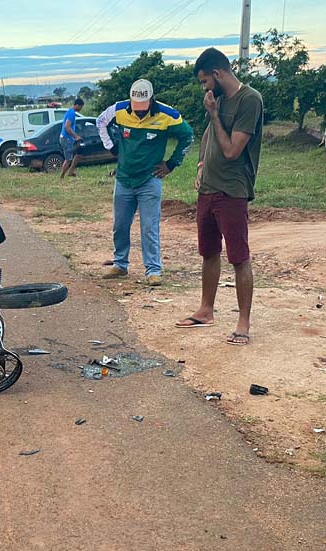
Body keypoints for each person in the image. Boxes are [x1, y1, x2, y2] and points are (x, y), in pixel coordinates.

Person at [176, 47, 263, 347]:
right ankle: (205, 310)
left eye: (204, 81)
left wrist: (214, 115)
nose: (204, 88)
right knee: (208, 251)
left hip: (232, 189)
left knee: (238, 256)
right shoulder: (219, 99)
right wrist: (201, 164)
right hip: (208, 188)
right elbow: (207, 136)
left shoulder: (249, 100)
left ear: (217, 73)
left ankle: (243, 322)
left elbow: (231, 150)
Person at [95, 79, 193, 286]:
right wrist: (111, 147)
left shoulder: (168, 115)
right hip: (123, 179)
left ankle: (153, 269)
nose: (138, 111)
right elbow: (100, 122)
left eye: (143, 107)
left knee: (149, 226)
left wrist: (171, 164)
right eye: (135, 106)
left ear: (150, 100)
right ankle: (120, 264)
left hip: (150, 179)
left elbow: (188, 136)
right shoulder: (119, 110)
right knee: (120, 225)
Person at [60, 98, 85, 179]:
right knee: (68, 159)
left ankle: (71, 171)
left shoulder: (70, 112)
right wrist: (76, 136)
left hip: (69, 138)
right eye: (81, 107)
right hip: (66, 138)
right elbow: (67, 127)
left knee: (79, 154)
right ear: (77, 105)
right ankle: (62, 177)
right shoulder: (71, 114)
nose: (81, 109)